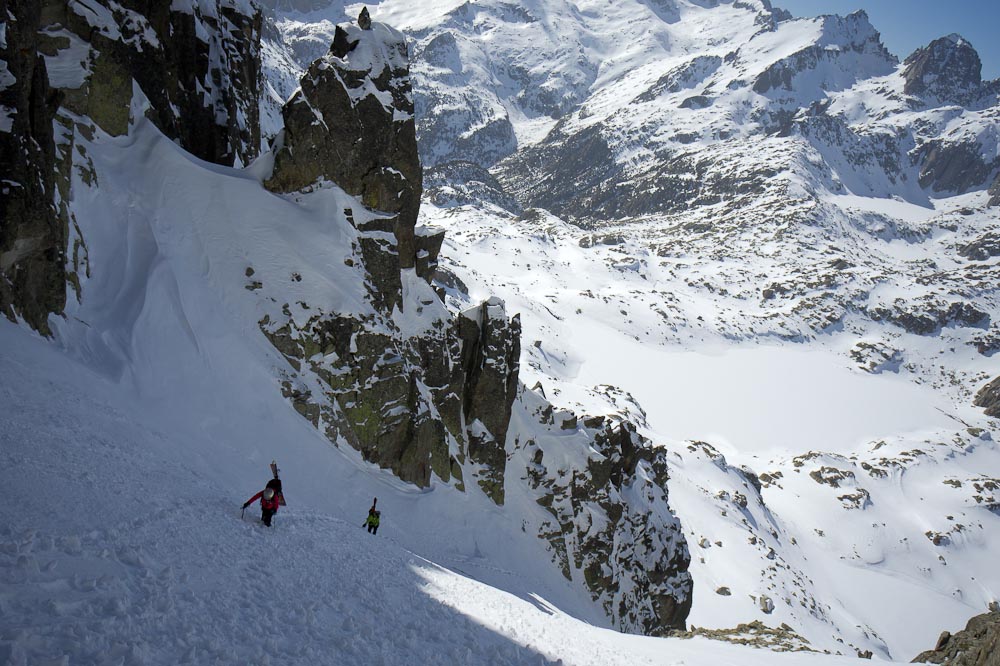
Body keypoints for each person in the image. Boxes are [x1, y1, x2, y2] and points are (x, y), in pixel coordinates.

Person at [243, 461, 286, 527]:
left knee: (267, 522)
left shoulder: (274, 496)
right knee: (263, 519)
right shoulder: (263, 492)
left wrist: (275, 510)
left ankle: (267, 527)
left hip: (270, 509)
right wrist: (248, 503)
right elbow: (255, 497)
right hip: (264, 507)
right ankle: (264, 525)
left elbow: (276, 503)